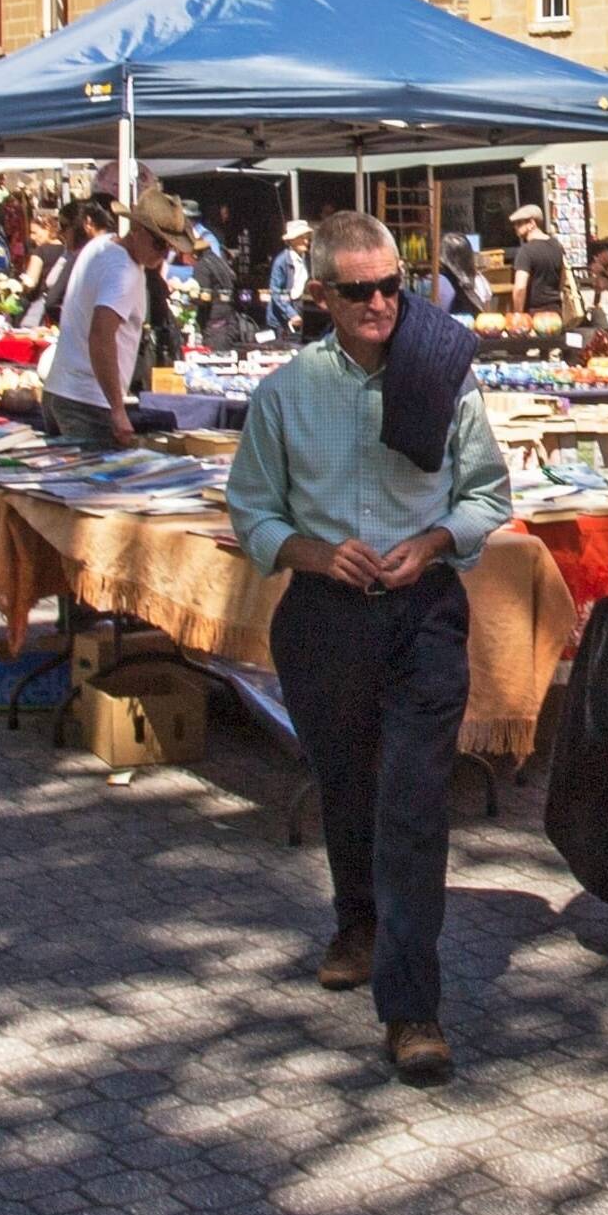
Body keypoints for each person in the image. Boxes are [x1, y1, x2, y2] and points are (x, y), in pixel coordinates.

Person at [225, 211, 510, 1086]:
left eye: (393, 284)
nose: (382, 302)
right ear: (322, 297)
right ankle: (358, 919)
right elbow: (252, 511)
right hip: (325, 615)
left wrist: (432, 542)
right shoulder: (284, 393)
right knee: (346, 783)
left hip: (422, 611)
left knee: (415, 802)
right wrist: (312, 551)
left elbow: (487, 493)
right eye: (360, 291)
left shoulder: (444, 375)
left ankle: (413, 1008)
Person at [38, 188, 184, 452]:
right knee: (95, 487)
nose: (164, 254)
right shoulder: (123, 271)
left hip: (62, 392)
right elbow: (101, 336)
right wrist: (117, 409)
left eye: (170, 247)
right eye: (160, 244)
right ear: (137, 230)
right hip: (88, 402)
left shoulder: (100, 245)